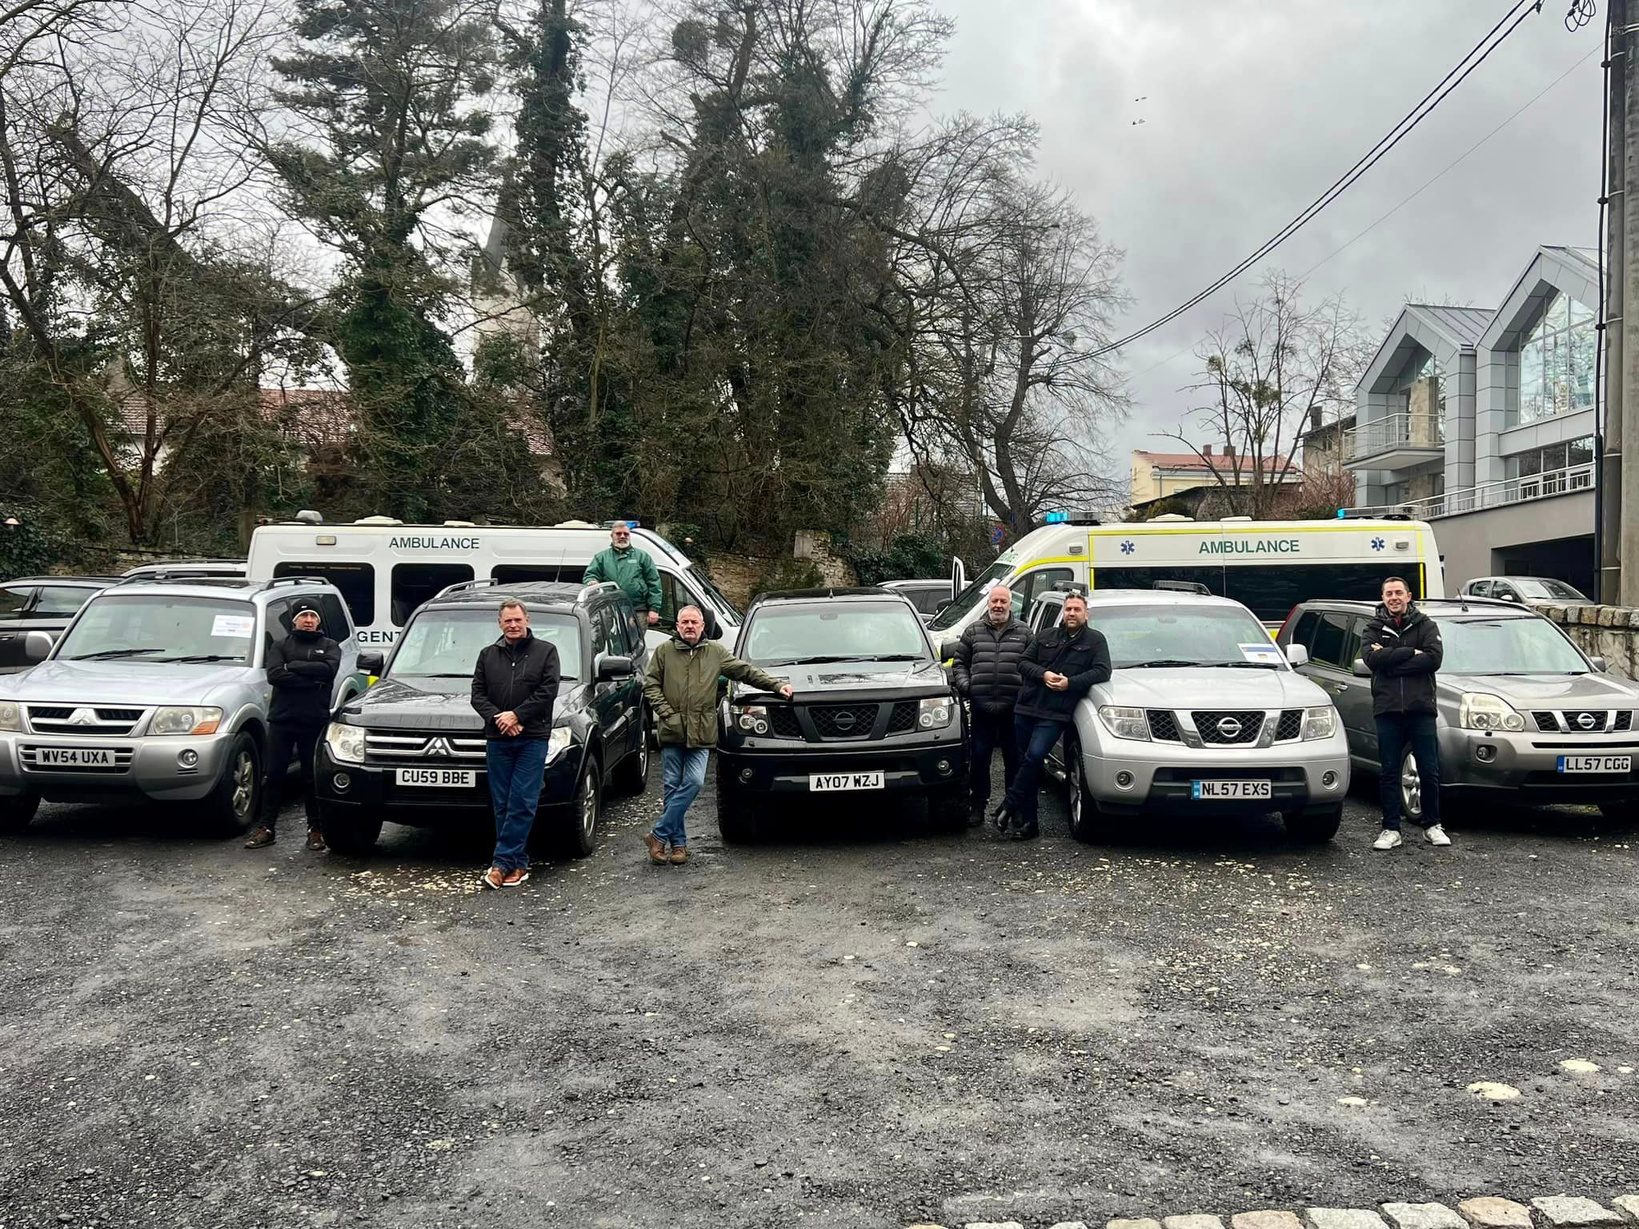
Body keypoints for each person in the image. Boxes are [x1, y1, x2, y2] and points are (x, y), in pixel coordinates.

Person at [641, 605, 792, 865]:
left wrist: (777, 685)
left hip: (701, 731)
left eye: (694, 622)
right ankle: (678, 846)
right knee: (671, 787)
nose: (689, 626)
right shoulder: (665, 651)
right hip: (672, 730)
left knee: (695, 782)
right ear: (677, 626)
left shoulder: (715, 652)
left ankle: (658, 834)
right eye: (684, 622)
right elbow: (650, 684)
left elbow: (745, 671)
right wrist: (667, 713)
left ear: (702, 626)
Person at [993, 590, 1110, 841]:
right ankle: (1030, 823)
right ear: (1063, 612)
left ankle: (1008, 805)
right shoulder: (1046, 635)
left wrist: (1071, 683)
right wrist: (1044, 675)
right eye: (1068, 609)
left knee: (1035, 756)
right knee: (1026, 762)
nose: (1071, 613)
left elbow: (1102, 671)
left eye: (1077, 610)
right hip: (1026, 707)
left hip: (1055, 713)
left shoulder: (1095, 641)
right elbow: (1023, 662)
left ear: (1086, 614)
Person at [471, 599, 561, 888]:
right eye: (507, 620)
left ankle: (500, 864)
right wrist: (499, 718)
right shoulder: (487, 655)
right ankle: (517, 863)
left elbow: (548, 690)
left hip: (531, 737)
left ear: (527, 620)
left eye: (517, 620)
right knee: (502, 803)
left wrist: (518, 715)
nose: (513, 625)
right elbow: (477, 694)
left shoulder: (546, 652)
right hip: (498, 738)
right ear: (499, 623)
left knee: (522, 801)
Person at [1362, 576, 1450, 850]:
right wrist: (1409, 652)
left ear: (1409, 596)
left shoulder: (1426, 625)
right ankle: (1391, 829)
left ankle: (1432, 825)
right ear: (1383, 597)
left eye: (1398, 592)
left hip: (1420, 709)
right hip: (1387, 709)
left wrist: (1390, 658)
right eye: (1388, 593)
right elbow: (1371, 659)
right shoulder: (1373, 627)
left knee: (1429, 770)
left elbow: (1433, 659)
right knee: (1389, 771)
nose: (1394, 597)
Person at [246, 601, 340, 851]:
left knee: (312, 778)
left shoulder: (330, 646)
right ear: (294, 620)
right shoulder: (280, 645)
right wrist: (312, 680)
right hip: (282, 720)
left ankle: (315, 829)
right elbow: (274, 675)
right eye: (303, 616)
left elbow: (328, 671)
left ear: (318, 621)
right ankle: (267, 827)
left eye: (312, 616)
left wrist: (294, 668)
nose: (308, 620)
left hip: (314, 720)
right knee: (274, 776)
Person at [952, 585, 1031, 825]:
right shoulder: (973, 631)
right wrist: (968, 687)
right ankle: (977, 805)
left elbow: (1034, 667)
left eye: (1003, 601)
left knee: (1014, 759)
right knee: (979, 757)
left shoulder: (1024, 633)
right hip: (981, 707)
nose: (998, 605)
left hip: (1013, 709)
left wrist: (1025, 693)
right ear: (988, 603)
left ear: (1010, 604)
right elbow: (959, 663)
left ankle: (1013, 806)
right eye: (994, 601)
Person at [584, 521, 663, 628]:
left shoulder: (642, 557)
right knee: (607, 642)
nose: (622, 536)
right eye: (618, 533)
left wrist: (654, 609)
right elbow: (590, 575)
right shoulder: (601, 558)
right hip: (609, 609)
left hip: (637, 610)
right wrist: (592, 581)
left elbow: (654, 583)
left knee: (635, 643)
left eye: (626, 534)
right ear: (612, 536)